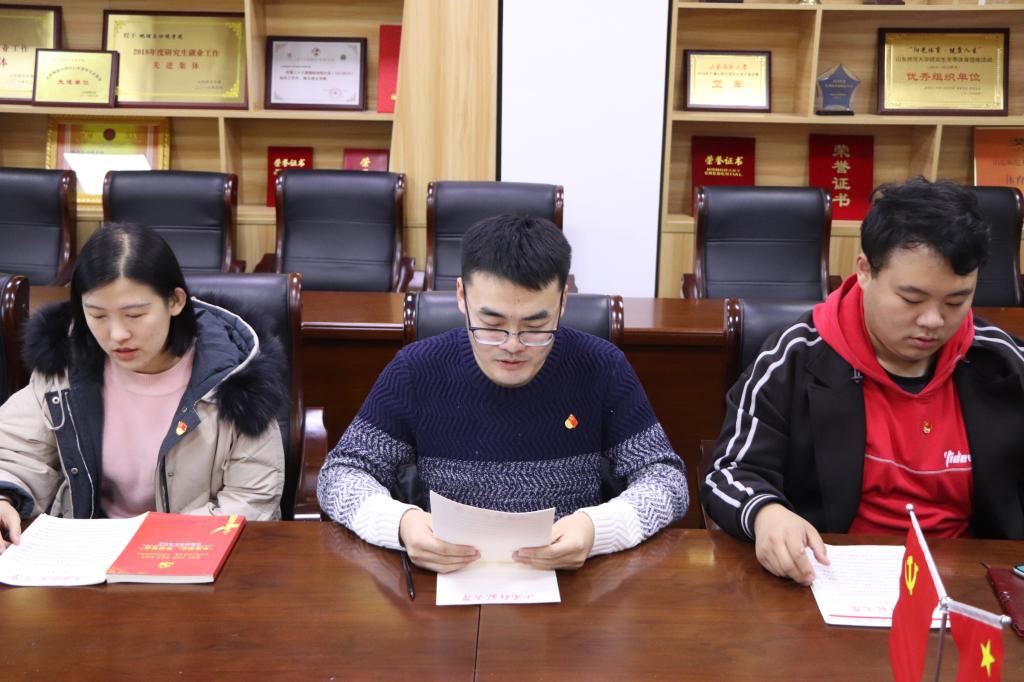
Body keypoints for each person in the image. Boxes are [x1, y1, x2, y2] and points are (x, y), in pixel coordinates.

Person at [318, 214, 688, 572]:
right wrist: (401, 523)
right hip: (447, 580)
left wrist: (598, 530)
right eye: (491, 324)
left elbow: (666, 480)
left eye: (535, 326)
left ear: (562, 302)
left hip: (572, 581)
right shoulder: (417, 370)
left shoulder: (601, 367)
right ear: (461, 295)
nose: (512, 345)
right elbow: (340, 474)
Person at [702, 177, 1024, 586]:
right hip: (828, 578)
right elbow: (728, 471)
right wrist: (767, 513)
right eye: (911, 299)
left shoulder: (1003, 363)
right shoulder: (795, 357)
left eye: (956, 301)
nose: (933, 321)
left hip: (969, 584)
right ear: (865, 271)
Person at [0, 223, 286, 552]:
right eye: (97, 315)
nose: (117, 334)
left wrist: (152, 549)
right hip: (85, 553)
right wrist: (4, 497)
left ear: (175, 301)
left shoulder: (235, 380)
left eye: (134, 315)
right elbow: (16, 450)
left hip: (189, 553)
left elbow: (250, 499)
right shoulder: (65, 365)